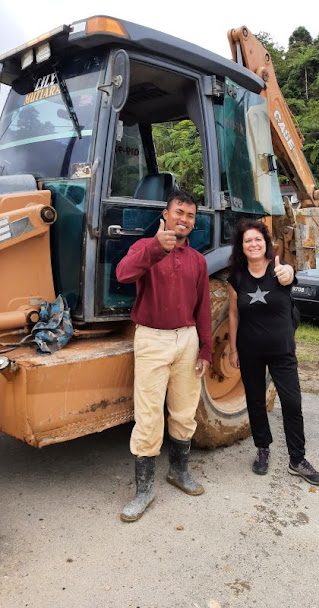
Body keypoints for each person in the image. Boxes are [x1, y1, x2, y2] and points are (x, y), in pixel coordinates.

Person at [116, 189, 212, 522]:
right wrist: (158, 247)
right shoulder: (145, 248)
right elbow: (123, 274)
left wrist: (206, 349)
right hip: (152, 339)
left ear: (193, 221)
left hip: (186, 339)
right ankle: (144, 490)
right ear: (166, 215)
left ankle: (178, 472)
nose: (183, 219)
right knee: (149, 415)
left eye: (190, 215)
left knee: (185, 411)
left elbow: (203, 311)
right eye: (179, 212)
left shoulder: (198, 261)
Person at [227, 219, 319, 485]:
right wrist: (233, 349)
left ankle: (297, 459)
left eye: (258, 239)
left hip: (282, 350)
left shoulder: (280, 269)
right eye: (248, 240)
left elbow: (290, 276)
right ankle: (263, 448)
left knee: (292, 403)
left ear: (266, 243)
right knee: (255, 402)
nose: (254, 244)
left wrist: (289, 272)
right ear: (242, 246)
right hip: (249, 350)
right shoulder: (236, 278)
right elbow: (234, 315)